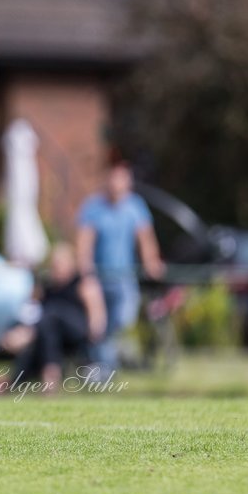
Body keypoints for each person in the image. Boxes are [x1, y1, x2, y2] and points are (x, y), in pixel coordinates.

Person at [76, 161, 165, 377]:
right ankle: (103, 369)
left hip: (124, 279)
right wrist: (86, 276)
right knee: (98, 326)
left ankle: (105, 367)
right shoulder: (93, 207)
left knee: (122, 321)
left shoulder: (135, 206)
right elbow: (84, 245)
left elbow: (145, 240)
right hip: (99, 280)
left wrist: (152, 262)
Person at [6, 242, 107, 390]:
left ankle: (29, 339)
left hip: (78, 332)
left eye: (60, 263)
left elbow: (96, 312)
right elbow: (32, 310)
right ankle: (11, 383)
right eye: (54, 264)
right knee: (45, 330)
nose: (57, 267)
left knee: (52, 312)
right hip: (52, 335)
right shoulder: (47, 287)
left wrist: (96, 329)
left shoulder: (83, 283)